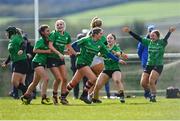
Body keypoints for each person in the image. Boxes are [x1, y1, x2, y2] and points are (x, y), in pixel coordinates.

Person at [63, 27, 126, 104]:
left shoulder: (100, 44)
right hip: (81, 62)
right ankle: (84, 95)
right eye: (100, 34)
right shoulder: (86, 40)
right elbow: (70, 46)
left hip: (87, 64)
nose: (102, 35)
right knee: (93, 78)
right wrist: (75, 54)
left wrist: (118, 60)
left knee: (74, 82)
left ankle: (63, 96)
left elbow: (108, 54)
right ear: (95, 34)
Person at [122, 26, 176, 102]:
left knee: (151, 81)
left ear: (157, 36)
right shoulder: (148, 42)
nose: (151, 37)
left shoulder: (162, 42)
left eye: (153, 36)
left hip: (158, 65)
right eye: (150, 36)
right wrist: (129, 32)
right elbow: (138, 38)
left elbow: (166, 38)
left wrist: (169, 32)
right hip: (149, 64)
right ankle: (148, 93)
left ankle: (153, 96)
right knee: (143, 83)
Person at [21, 24, 52, 105]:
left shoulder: (49, 40)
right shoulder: (40, 40)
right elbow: (34, 50)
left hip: (42, 63)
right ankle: (44, 98)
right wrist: (46, 51)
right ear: (42, 32)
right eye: (47, 31)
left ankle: (25, 97)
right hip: (37, 62)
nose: (49, 32)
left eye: (49, 30)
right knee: (46, 79)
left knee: (35, 83)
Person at [48, 19, 76, 105]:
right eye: (58, 25)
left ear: (64, 26)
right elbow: (50, 46)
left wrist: (75, 53)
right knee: (58, 79)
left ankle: (63, 98)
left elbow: (69, 46)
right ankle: (54, 96)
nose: (59, 26)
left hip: (60, 59)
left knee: (65, 79)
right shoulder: (53, 34)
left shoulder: (67, 35)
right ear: (56, 26)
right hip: (52, 58)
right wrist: (59, 53)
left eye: (61, 24)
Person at [88, 16, 111, 98]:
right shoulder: (101, 36)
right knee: (104, 76)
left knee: (93, 79)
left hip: (89, 60)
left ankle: (89, 95)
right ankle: (92, 95)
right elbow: (107, 48)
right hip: (96, 59)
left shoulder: (89, 34)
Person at [4, 26, 28, 98]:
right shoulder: (11, 40)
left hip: (21, 62)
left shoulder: (16, 38)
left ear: (10, 32)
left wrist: (21, 49)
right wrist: (6, 62)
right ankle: (27, 97)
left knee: (14, 82)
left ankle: (29, 92)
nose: (6, 34)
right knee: (20, 83)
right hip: (17, 62)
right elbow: (11, 54)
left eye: (7, 32)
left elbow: (23, 44)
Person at [137, 25, 155, 99]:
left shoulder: (158, 41)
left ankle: (151, 94)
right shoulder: (144, 40)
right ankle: (148, 92)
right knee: (145, 80)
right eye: (150, 31)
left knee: (153, 79)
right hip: (146, 63)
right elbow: (139, 51)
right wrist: (143, 59)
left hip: (155, 63)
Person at [70, 33, 87, 99]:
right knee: (76, 81)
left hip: (83, 66)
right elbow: (71, 55)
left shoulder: (85, 46)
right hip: (76, 67)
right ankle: (76, 95)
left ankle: (83, 95)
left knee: (84, 81)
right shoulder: (74, 46)